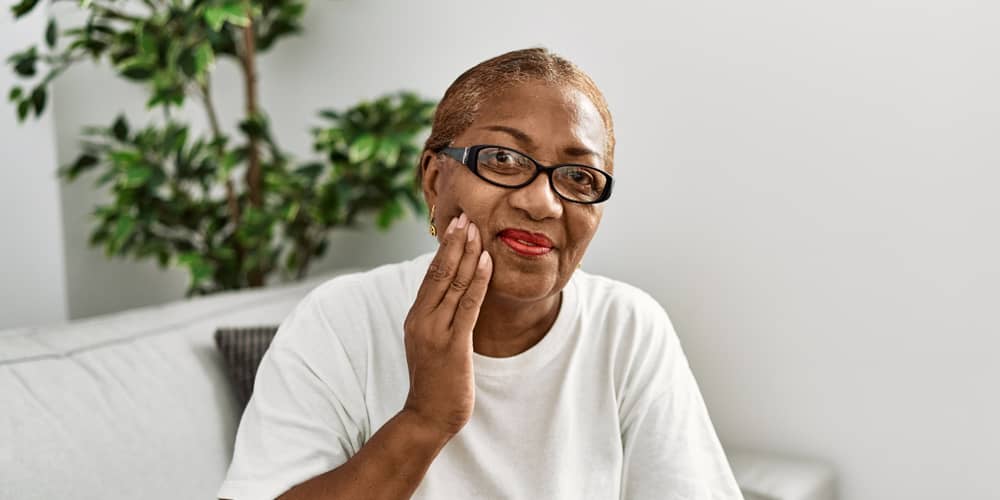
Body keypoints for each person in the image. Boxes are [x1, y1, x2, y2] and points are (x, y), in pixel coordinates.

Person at [218, 48, 742, 500]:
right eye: (503, 159)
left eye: (579, 177)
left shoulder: (627, 328)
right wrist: (425, 418)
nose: (543, 203)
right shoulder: (341, 320)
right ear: (433, 179)